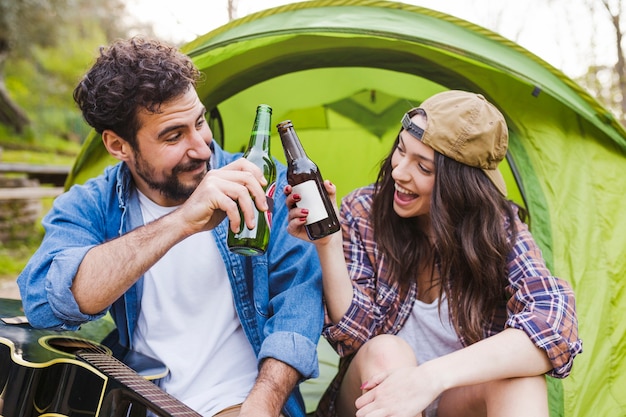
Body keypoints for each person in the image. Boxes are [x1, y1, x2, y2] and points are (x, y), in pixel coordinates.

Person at [17, 37, 324, 417]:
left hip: (242, 402)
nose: (202, 148)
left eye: (199, 122)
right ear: (118, 145)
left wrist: (262, 405)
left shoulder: (260, 183)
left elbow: (300, 301)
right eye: (174, 135)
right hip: (142, 401)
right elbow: (45, 303)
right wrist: (181, 222)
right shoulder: (91, 204)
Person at [285, 90, 582, 417]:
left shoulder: (499, 231)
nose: (399, 172)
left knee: (520, 380)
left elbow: (555, 324)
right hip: (373, 398)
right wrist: (330, 244)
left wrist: (430, 378)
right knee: (386, 351)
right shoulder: (364, 209)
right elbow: (355, 339)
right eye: (401, 150)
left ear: (461, 186)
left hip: (456, 403)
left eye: (423, 167)